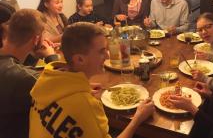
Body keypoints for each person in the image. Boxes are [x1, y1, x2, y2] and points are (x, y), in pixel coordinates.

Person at [29, 22, 154, 138]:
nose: (107, 55)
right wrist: (137, 118)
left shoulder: (47, 78)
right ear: (79, 59)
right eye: (101, 51)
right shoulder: (86, 105)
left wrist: (83, 87)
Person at [0, 9, 58, 138]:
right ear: (37, 39)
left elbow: (16, 66)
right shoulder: (24, 79)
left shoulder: (7, 63)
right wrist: (51, 57)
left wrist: (31, 54)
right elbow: (60, 87)